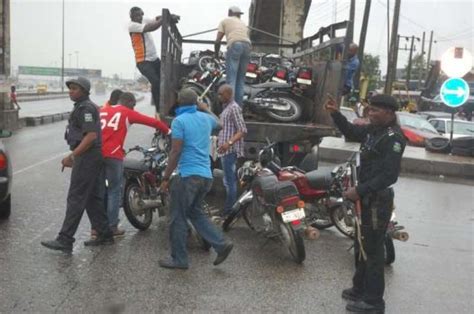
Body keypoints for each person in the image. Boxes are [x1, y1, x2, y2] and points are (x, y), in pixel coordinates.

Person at [325, 94, 406, 313]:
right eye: (369, 110)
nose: (370, 113)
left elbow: (389, 176)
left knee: (373, 251)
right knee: (361, 245)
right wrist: (335, 114)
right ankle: (359, 289)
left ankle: (373, 302)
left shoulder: (394, 138)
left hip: (377, 201)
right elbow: (351, 132)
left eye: (375, 110)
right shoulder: (374, 130)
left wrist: (359, 190)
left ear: (389, 113)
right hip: (365, 199)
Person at [159, 88, 233, 269]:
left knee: (177, 218)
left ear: (179, 102)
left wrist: (166, 177)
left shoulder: (179, 121)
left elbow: (176, 151)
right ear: (195, 103)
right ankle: (221, 244)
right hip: (206, 176)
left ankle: (180, 259)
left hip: (188, 177)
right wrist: (205, 108)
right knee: (195, 212)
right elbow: (220, 124)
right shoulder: (205, 118)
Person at [41, 77, 113, 252]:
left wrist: (72, 156)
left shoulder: (86, 108)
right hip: (91, 156)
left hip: (88, 156)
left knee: (76, 197)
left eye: (74, 89)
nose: (70, 91)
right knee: (92, 198)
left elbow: (90, 137)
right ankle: (104, 234)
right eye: (70, 88)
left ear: (84, 91)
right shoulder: (82, 107)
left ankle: (65, 239)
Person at [98, 92, 170, 237]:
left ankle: (97, 228)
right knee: (113, 191)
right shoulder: (126, 112)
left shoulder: (102, 111)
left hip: (96, 155)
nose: (134, 107)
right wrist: (168, 131)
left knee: (99, 191)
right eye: (134, 105)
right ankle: (112, 227)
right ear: (130, 102)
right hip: (113, 155)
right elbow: (153, 122)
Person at [128, 7, 179, 117]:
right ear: (131, 17)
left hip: (154, 59)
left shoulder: (143, 20)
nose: (139, 17)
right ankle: (159, 109)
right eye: (136, 16)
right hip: (143, 62)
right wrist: (165, 18)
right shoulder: (132, 26)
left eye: (140, 15)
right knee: (156, 82)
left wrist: (170, 17)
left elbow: (156, 19)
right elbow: (152, 27)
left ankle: (171, 106)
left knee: (167, 81)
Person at [216, 84, 247, 217]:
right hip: (225, 151)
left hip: (230, 151)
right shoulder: (226, 108)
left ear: (229, 94)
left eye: (221, 94)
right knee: (228, 180)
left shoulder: (234, 108)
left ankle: (230, 210)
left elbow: (242, 130)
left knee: (230, 181)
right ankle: (231, 208)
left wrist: (228, 143)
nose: (219, 97)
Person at [215, 6, 251, 106]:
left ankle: (229, 108)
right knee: (240, 80)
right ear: (238, 14)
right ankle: (238, 109)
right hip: (247, 47)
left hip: (235, 45)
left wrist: (216, 54)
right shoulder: (243, 24)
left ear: (230, 13)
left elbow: (218, 40)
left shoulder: (224, 21)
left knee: (231, 79)